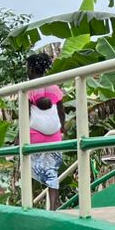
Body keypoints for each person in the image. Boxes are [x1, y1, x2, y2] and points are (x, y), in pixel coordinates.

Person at [25, 52, 66, 210]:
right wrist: (61, 129)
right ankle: (53, 207)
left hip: (34, 134)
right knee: (52, 173)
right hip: (54, 136)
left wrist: (18, 137)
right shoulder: (55, 88)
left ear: (31, 69)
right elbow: (62, 113)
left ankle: (28, 205)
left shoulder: (28, 89)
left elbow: (26, 115)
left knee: (29, 168)